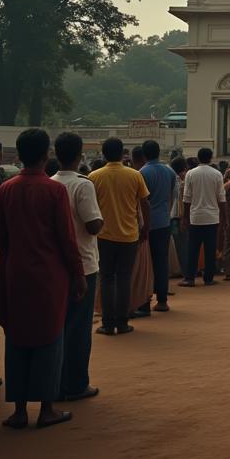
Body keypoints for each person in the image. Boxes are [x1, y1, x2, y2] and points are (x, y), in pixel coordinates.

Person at [0, 128, 86, 429]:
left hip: (15, 272)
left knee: (17, 338)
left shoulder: (5, 189)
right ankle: (46, 408)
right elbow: (67, 240)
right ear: (47, 156)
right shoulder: (54, 191)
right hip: (49, 275)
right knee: (50, 337)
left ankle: (18, 410)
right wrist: (78, 274)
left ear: (19, 155)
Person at [51, 132, 103, 401]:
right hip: (83, 262)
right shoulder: (83, 186)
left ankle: (55, 380)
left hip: (55, 264)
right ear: (80, 154)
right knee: (79, 328)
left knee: (58, 325)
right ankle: (76, 383)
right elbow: (93, 225)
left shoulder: (50, 183)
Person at [89, 137, 149, 335]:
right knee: (124, 278)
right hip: (129, 235)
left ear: (104, 154)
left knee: (106, 278)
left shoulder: (94, 176)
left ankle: (107, 322)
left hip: (104, 235)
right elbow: (144, 204)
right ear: (123, 153)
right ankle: (122, 322)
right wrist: (145, 228)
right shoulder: (134, 175)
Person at [138, 139, 177, 311]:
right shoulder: (169, 172)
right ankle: (162, 300)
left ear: (144, 155)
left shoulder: (142, 173)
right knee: (161, 262)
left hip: (146, 223)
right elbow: (171, 195)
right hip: (163, 220)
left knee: (145, 263)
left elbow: (142, 201)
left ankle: (144, 301)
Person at [180, 147, 227, 287]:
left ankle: (190, 278)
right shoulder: (217, 174)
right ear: (211, 158)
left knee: (193, 249)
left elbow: (186, 198)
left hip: (196, 216)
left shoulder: (190, 174)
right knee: (210, 249)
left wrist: (185, 217)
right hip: (212, 217)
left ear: (198, 158)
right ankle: (209, 278)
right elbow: (222, 199)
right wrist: (224, 218)